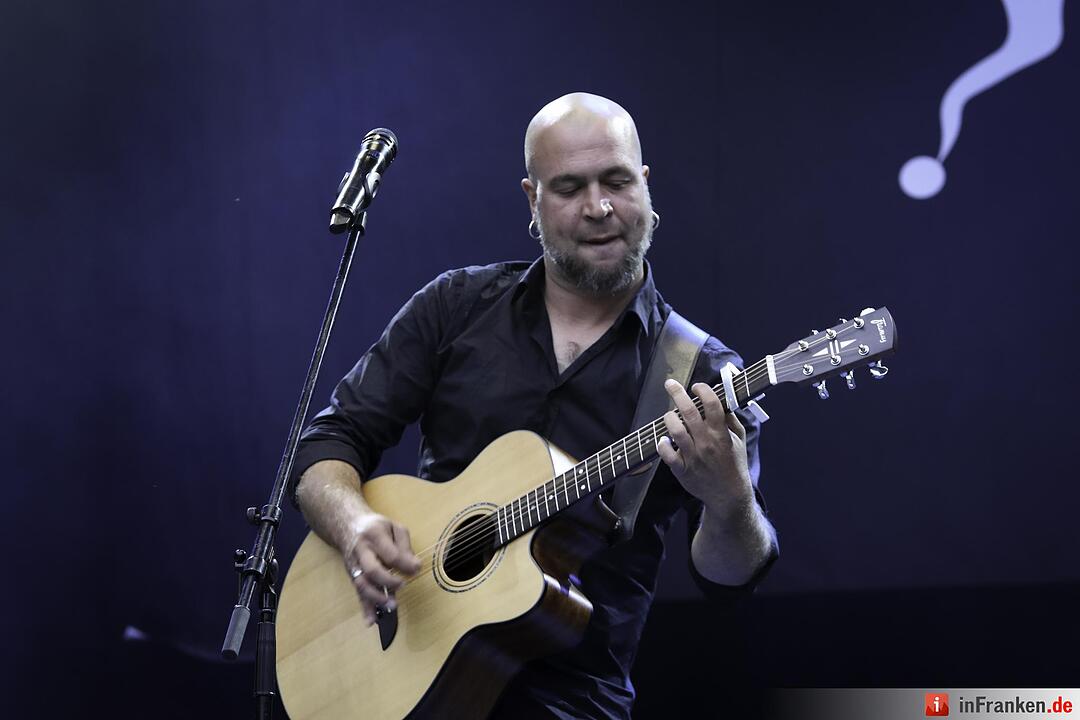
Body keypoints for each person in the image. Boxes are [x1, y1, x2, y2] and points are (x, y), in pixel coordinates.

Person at [289, 92, 779, 719]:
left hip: (572, 702)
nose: (599, 207)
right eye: (570, 187)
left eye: (617, 181)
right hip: (406, 674)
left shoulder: (701, 372)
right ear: (533, 200)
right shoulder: (456, 307)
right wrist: (353, 525)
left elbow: (729, 579)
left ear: (646, 186)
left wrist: (729, 498)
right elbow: (328, 445)